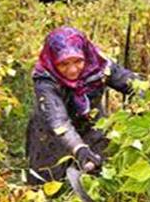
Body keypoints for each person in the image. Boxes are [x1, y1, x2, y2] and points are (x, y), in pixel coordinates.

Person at [25, 26, 142, 185]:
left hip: (91, 126)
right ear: (53, 61)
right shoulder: (45, 79)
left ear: (85, 55)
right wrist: (78, 148)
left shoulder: (99, 65)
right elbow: (58, 121)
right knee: (49, 183)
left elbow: (132, 84)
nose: (72, 70)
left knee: (96, 177)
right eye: (63, 64)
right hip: (51, 135)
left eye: (78, 61)